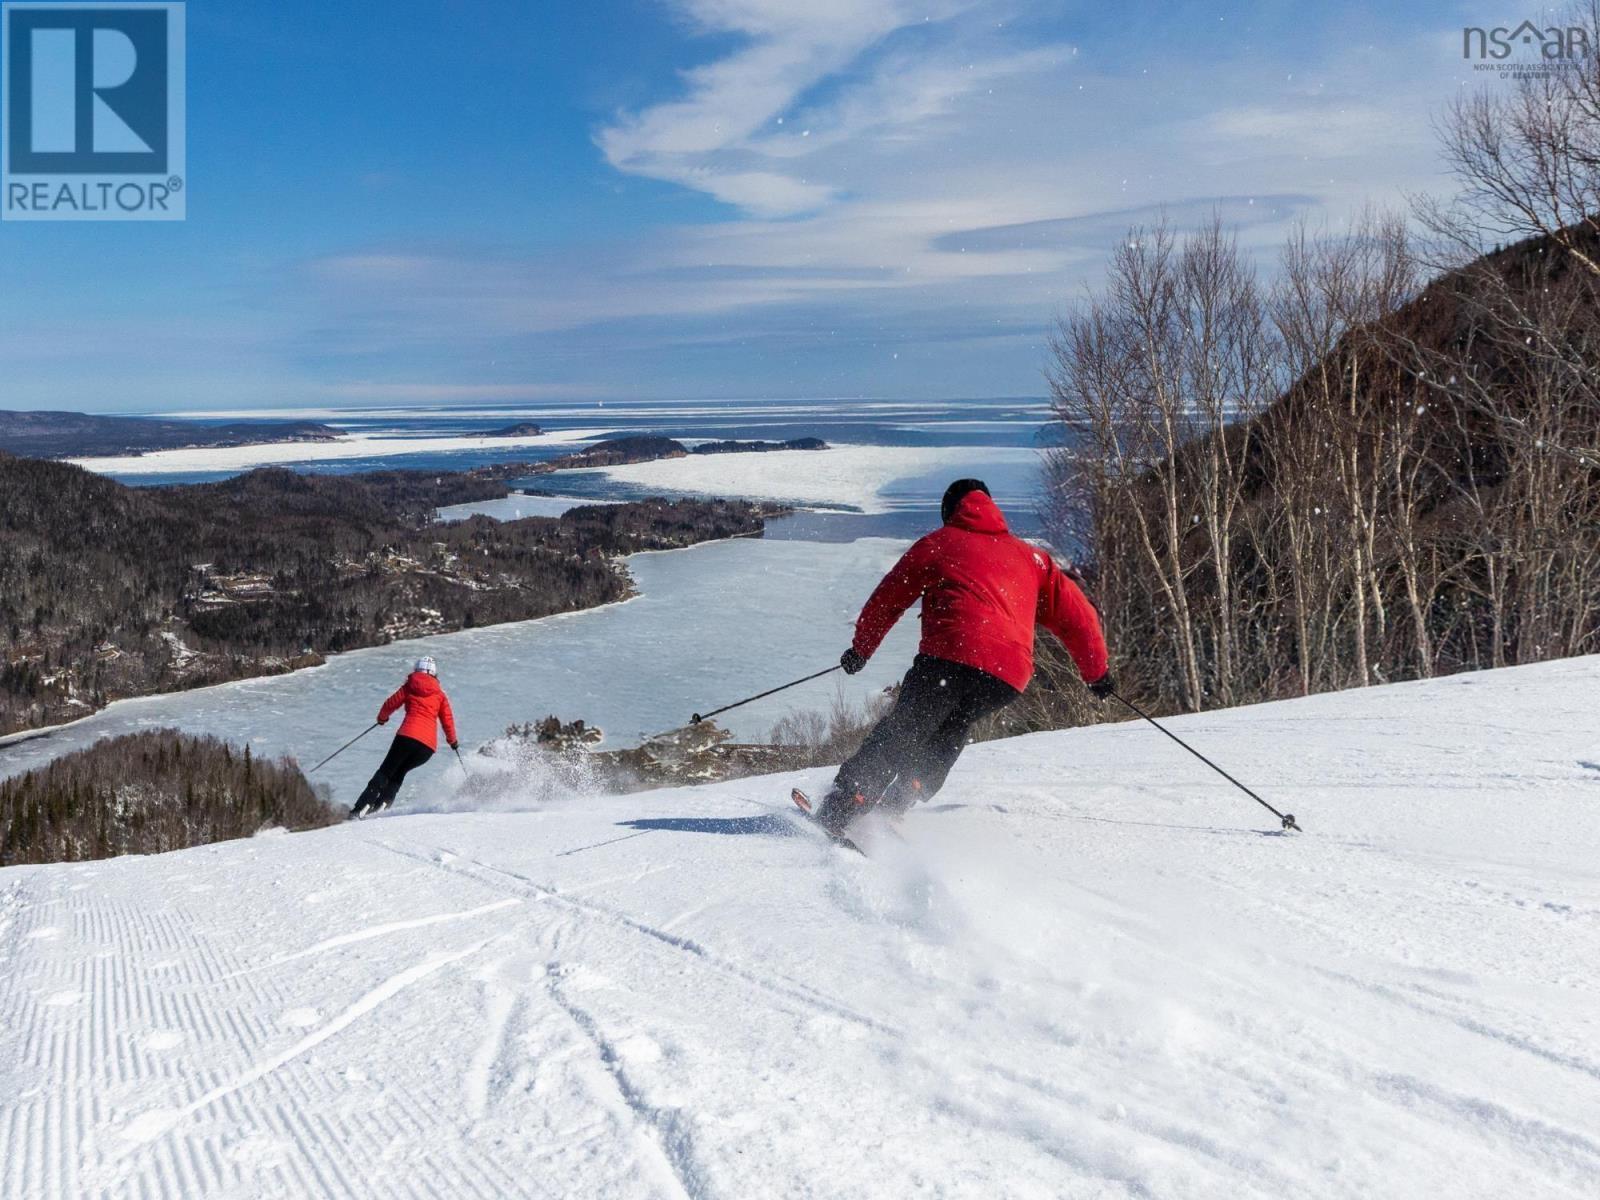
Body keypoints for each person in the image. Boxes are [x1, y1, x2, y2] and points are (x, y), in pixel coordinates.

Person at [815, 479, 1111, 835]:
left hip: (950, 657)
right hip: (1005, 677)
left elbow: (889, 598)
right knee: (954, 723)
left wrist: (861, 649)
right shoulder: (1033, 559)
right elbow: (1078, 617)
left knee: (907, 727)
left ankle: (848, 801)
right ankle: (905, 793)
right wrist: (1097, 673)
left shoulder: (939, 544)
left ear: (949, 512)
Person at [350, 656, 459, 818]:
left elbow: (390, 703)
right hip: (427, 748)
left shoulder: (410, 686)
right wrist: (453, 741)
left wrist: (382, 719)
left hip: (407, 737)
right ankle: (382, 807)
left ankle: (360, 808)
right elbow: (447, 720)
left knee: (386, 771)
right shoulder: (440, 695)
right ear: (435, 674)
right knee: (399, 773)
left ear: (416, 670)